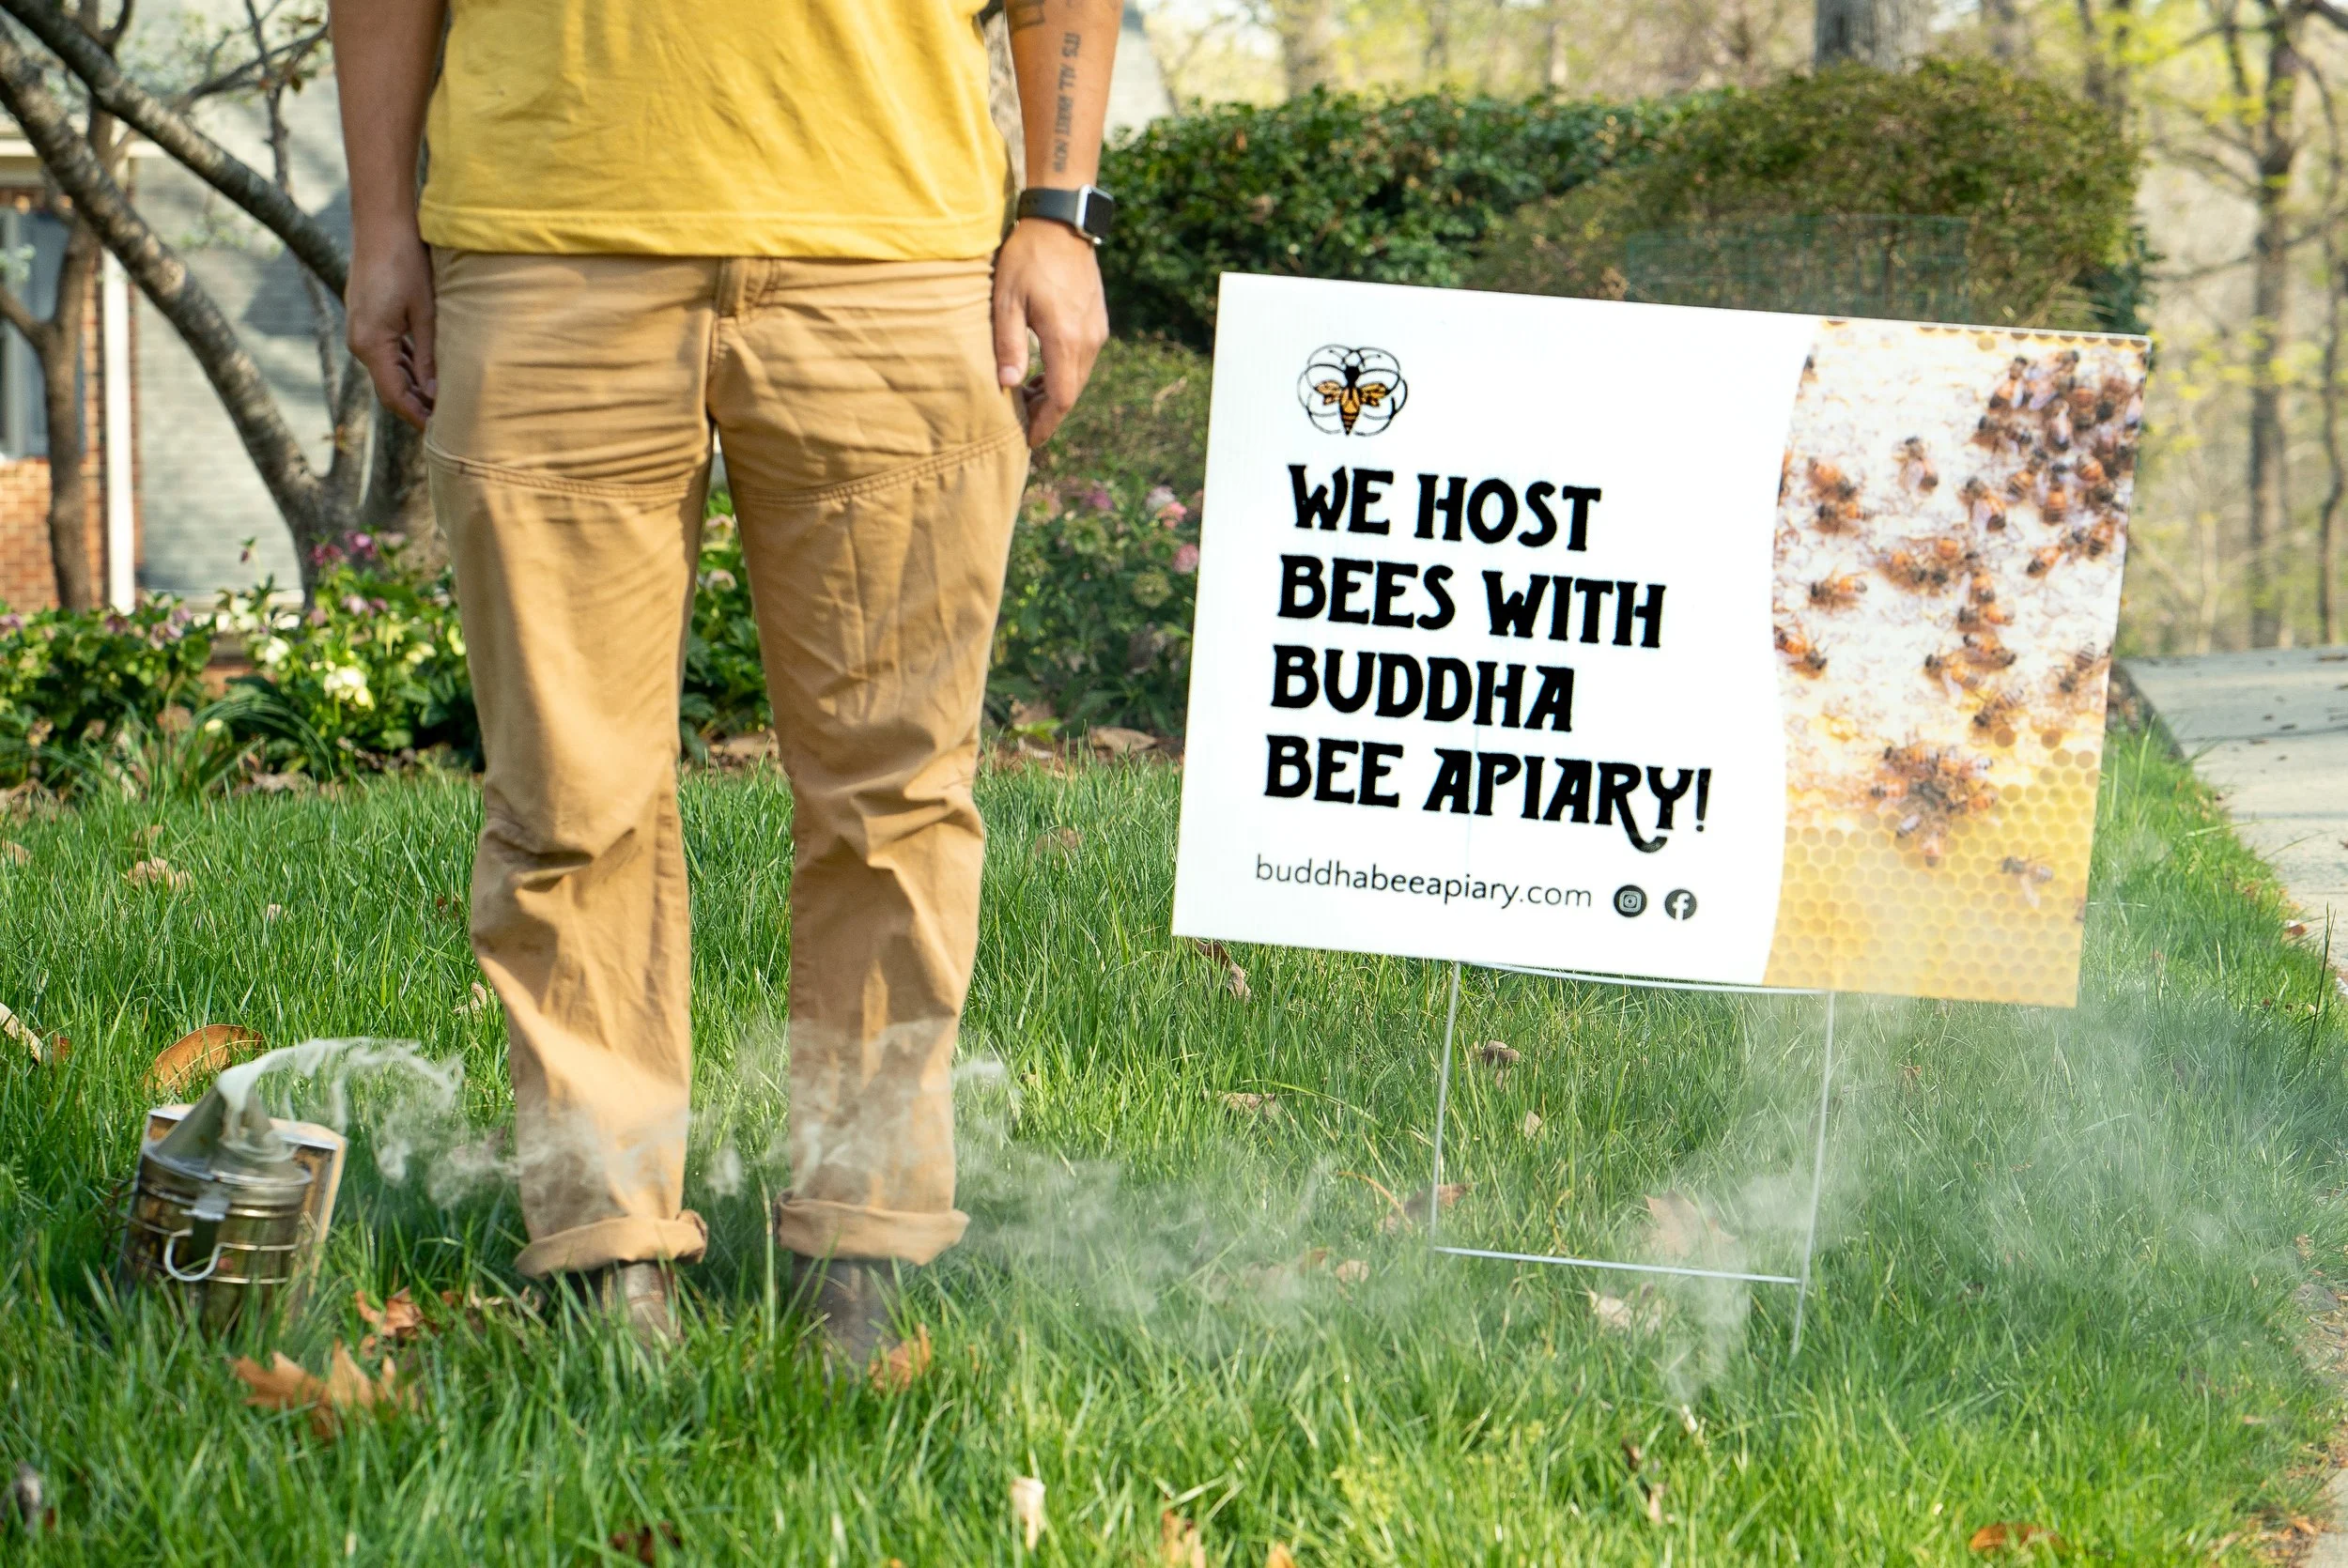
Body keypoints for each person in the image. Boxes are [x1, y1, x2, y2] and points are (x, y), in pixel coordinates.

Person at [329, 0, 1121, 1357]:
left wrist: (1059, 208)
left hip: (893, 249)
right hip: (542, 236)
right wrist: (383, 221)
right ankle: (606, 1252)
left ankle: (861, 1247)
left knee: (897, 795)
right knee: (569, 801)